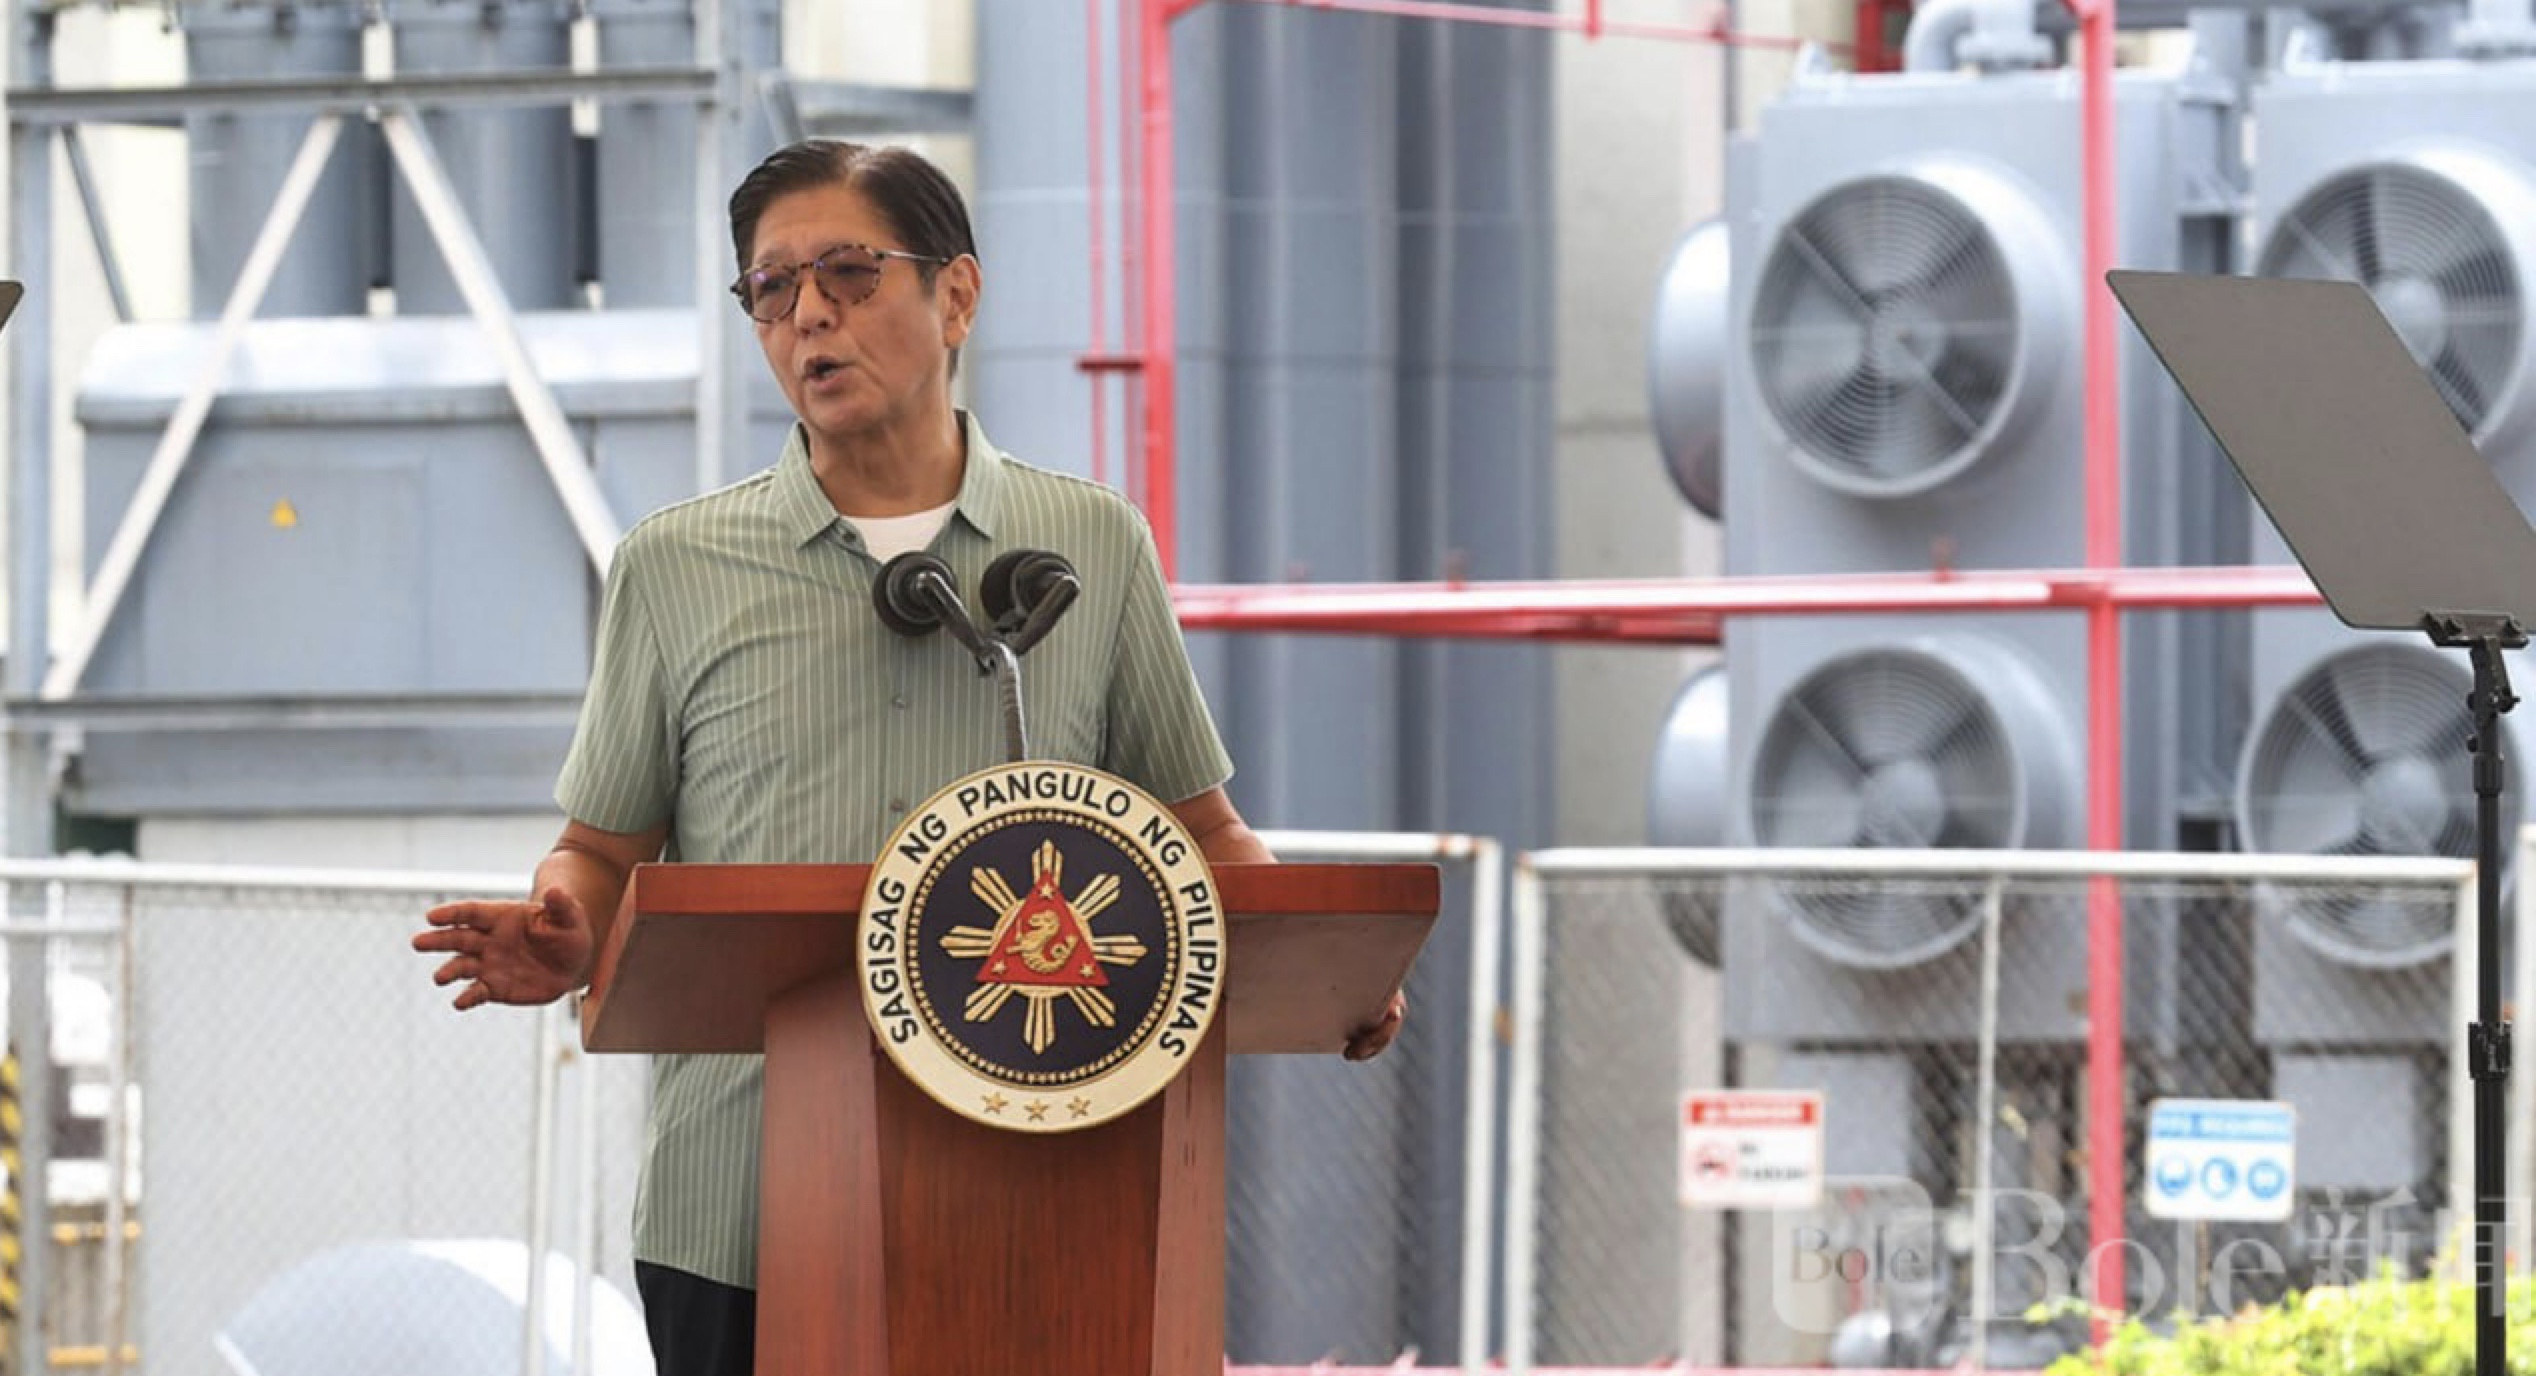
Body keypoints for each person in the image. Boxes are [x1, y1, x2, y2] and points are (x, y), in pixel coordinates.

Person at [410, 139, 1405, 1376]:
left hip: (1044, 1195)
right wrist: (566, 922)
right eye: (771, 288)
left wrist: (1321, 955)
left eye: (846, 271)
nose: (807, 314)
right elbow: (600, 849)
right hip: (740, 1207)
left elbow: (1201, 832)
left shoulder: (1090, 544)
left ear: (956, 294)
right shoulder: (674, 567)